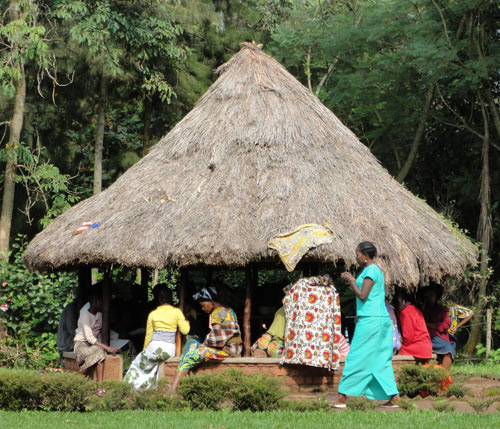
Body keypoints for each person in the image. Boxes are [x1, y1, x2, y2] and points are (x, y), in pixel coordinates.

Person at [333, 241, 399, 408]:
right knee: (380, 359)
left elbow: (362, 295)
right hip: (377, 319)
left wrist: (352, 281)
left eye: (357, 253)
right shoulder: (373, 270)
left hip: (371, 319)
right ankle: (394, 397)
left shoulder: (371, 270)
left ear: (364, 254)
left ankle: (342, 397)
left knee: (355, 355)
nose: (356, 256)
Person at [170, 286, 242, 393]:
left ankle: (172, 392)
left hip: (227, 350)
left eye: (203, 305)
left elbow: (217, 340)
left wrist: (204, 344)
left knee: (188, 357)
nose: (203, 309)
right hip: (232, 349)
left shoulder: (219, 313)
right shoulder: (227, 310)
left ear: (211, 301)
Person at [124, 284, 190, 390]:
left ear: (159, 299)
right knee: (156, 365)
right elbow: (185, 330)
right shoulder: (177, 312)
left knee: (137, 365)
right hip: (169, 350)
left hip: (154, 348)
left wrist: (145, 350)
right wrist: (185, 319)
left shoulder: (153, 314)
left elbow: (149, 336)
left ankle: (132, 388)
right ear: (171, 299)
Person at [73, 287, 120, 382]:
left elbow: (103, 331)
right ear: (95, 301)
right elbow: (90, 339)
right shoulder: (85, 315)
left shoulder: (100, 315)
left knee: (99, 353)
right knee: (99, 351)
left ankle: (100, 386)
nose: (103, 305)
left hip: (93, 346)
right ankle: (78, 379)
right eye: (102, 302)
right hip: (81, 345)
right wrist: (108, 348)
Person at [421, 282, 455, 370]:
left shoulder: (442, 309)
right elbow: (420, 324)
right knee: (448, 349)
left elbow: (446, 325)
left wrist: (430, 325)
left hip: (440, 337)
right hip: (426, 337)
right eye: (426, 296)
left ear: (436, 296)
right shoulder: (421, 310)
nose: (429, 298)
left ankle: (443, 378)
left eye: (431, 295)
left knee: (449, 350)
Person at [395, 289, 432, 362]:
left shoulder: (405, 312)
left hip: (417, 347)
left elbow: (408, 335)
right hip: (426, 347)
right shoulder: (414, 309)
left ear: (402, 300)